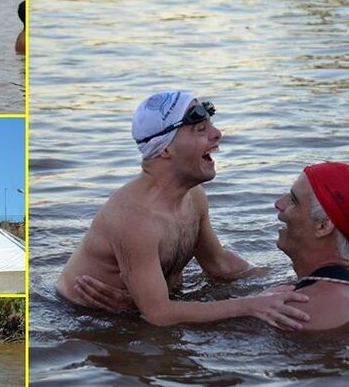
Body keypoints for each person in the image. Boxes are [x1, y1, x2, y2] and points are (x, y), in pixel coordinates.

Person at [58, 90, 311, 329]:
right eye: (201, 129)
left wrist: (294, 282)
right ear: (165, 148)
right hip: (89, 319)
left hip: (145, 307)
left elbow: (218, 263)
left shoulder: (194, 197)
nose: (217, 134)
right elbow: (158, 315)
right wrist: (250, 305)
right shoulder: (134, 218)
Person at [270, 162, 349, 330]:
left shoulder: (302, 310)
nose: (278, 203)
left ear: (323, 226)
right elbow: (223, 264)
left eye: (293, 201)